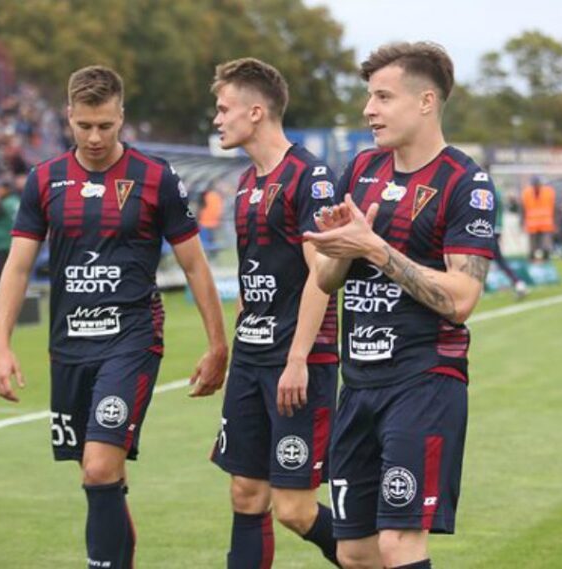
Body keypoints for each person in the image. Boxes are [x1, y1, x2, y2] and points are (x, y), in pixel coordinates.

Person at [0, 65, 230, 569]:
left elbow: (194, 264)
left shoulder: (155, 178)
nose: (95, 137)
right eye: (84, 126)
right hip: (69, 345)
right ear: (68, 117)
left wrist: (217, 344)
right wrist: (0, 344)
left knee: (99, 468)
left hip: (132, 341)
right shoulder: (44, 180)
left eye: (105, 125)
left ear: (122, 116)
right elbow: (18, 266)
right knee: (102, 478)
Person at [305, 41, 496, 569]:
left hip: (424, 383)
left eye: (383, 97)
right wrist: (340, 249)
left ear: (426, 101)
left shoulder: (466, 183)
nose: (369, 109)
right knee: (355, 552)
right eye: (370, 96)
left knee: (399, 543)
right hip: (358, 384)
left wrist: (375, 249)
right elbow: (325, 278)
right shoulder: (359, 170)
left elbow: (461, 299)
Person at [207, 57, 341, 568]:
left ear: (256, 112)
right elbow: (252, 275)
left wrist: (297, 358)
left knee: (294, 509)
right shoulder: (246, 183)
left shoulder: (311, 177)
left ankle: (371, 559)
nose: (217, 119)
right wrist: (237, 349)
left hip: (297, 365)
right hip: (252, 360)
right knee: (245, 493)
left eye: (224, 109)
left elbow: (321, 276)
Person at [520, 176, 557, 261]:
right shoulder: (526, 193)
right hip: (532, 225)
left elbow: (554, 208)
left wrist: (555, 222)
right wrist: (522, 222)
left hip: (545, 224)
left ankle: (546, 261)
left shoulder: (548, 192)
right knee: (532, 247)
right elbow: (523, 209)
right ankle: (532, 261)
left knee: (546, 246)